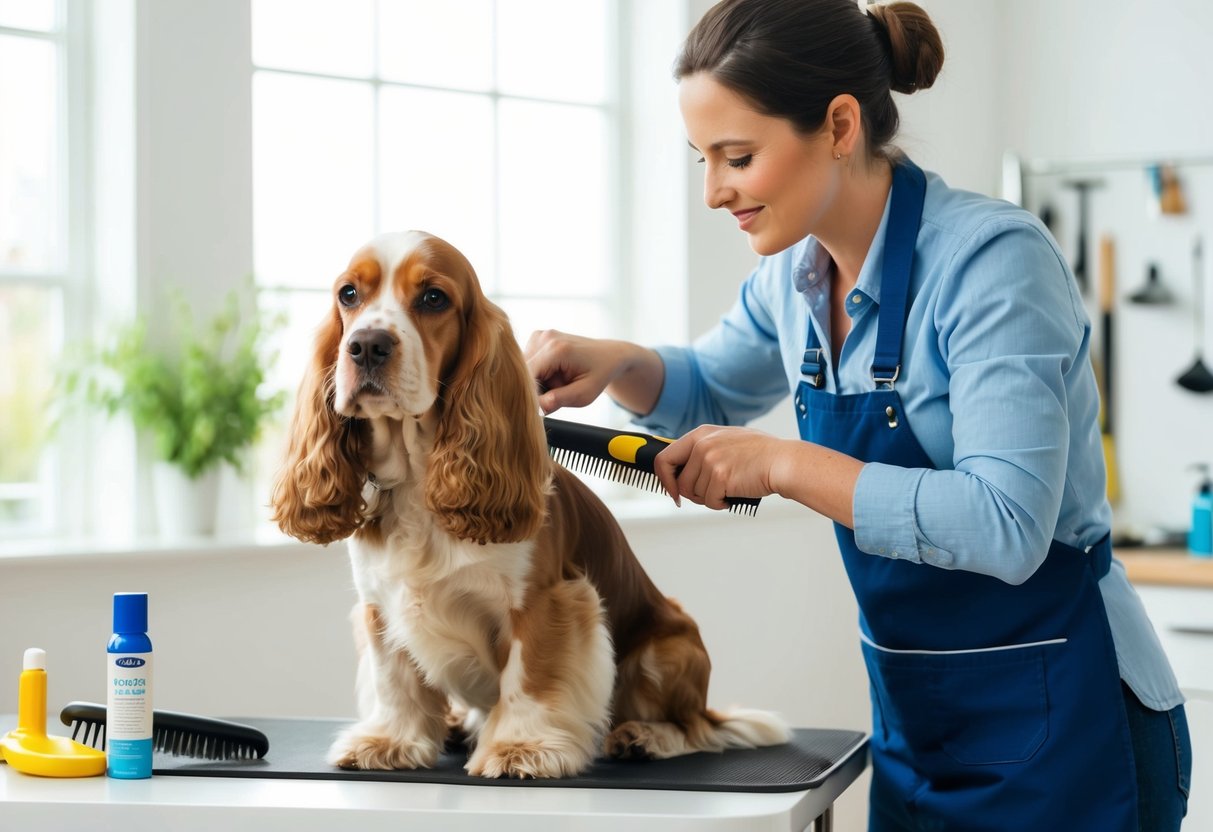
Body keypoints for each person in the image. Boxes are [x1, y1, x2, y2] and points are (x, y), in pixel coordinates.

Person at [524, 1, 1192, 829]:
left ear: (839, 124)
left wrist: (781, 464)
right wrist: (616, 362)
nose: (711, 191)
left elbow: (1006, 522)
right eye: (701, 158)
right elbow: (706, 385)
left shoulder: (990, 265)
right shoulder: (793, 277)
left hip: (1069, 726)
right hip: (919, 732)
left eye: (736, 156)